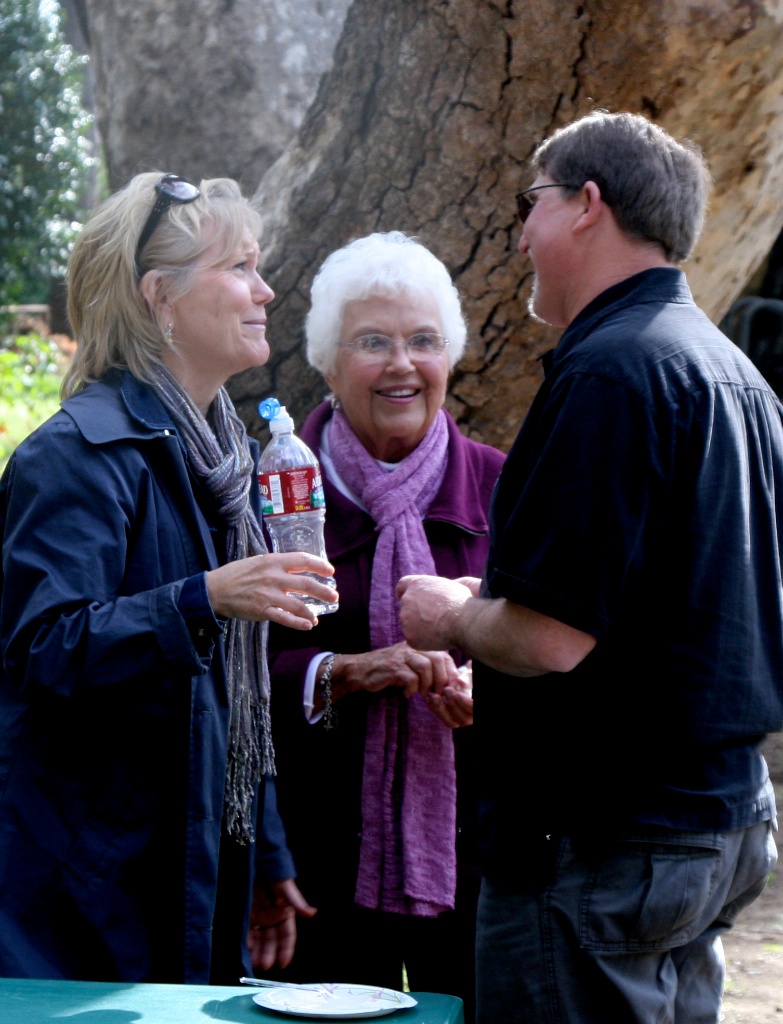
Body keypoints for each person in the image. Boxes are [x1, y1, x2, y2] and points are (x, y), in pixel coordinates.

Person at [397, 111, 783, 1024]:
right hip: (715, 824)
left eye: (529, 204)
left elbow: (549, 637)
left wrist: (452, 615)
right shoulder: (736, 375)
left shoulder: (609, 373)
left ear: (585, 205)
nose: (518, 235)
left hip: (605, 843)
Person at [0, 172, 337, 984]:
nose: (266, 290)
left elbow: (231, 699)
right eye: (240, 268)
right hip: (82, 907)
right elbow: (42, 648)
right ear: (160, 298)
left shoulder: (227, 463)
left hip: (196, 873)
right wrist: (204, 598)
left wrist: (265, 852)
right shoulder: (75, 456)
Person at [260, 232, 504, 1021]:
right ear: (327, 364)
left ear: (450, 357)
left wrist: (489, 687)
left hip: (476, 866)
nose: (402, 365)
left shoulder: (502, 487)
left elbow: (558, 657)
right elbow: (229, 673)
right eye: (372, 342)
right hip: (313, 865)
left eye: (423, 341)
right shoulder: (270, 492)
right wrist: (349, 672)